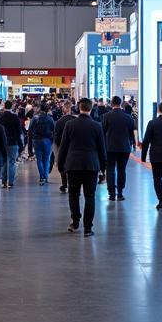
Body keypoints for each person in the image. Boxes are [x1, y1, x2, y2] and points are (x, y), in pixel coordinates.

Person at [57, 98, 106, 237]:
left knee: (74, 194)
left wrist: (61, 165)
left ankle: (75, 221)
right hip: (91, 165)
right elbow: (102, 149)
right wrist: (103, 168)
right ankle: (88, 228)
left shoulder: (70, 124)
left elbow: (63, 147)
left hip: (73, 165)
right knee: (90, 196)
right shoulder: (97, 126)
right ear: (90, 109)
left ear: (79, 108)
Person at [101, 96, 136, 201]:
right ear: (121, 103)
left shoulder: (106, 116)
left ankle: (111, 193)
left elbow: (103, 132)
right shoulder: (128, 117)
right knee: (122, 169)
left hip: (110, 147)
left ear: (112, 103)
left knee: (110, 169)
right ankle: (120, 193)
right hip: (124, 147)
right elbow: (131, 133)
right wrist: (132, 144)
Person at [0, 99, 24, 190]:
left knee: (4, 162)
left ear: (4, 106)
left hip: (3, 143)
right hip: (13, 142)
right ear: (11, 106)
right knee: (12, 162)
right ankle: (10, 182)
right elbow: (19, 132)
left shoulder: (0, 117)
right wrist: (21, 145)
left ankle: (3, 182)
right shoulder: (15, 117)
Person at [30, 104, 56, 185]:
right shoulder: (50, 119)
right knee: (46, 158)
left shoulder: (34, 118)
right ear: (48, 110)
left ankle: (41, 177)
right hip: (47, 140)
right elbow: (53, 129)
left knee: (39, 159)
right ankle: (46, 176)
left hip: (36, 140)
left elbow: (30, 129)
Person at [53, 101, 76, 194]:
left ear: (64, 109)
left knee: (62, 163)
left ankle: (64, 183)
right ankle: (71, 182)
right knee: (72, 165)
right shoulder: (75, 120)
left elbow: (56, 136)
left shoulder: (59, 121)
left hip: (62, 146)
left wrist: (58, 146)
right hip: (73, 146)